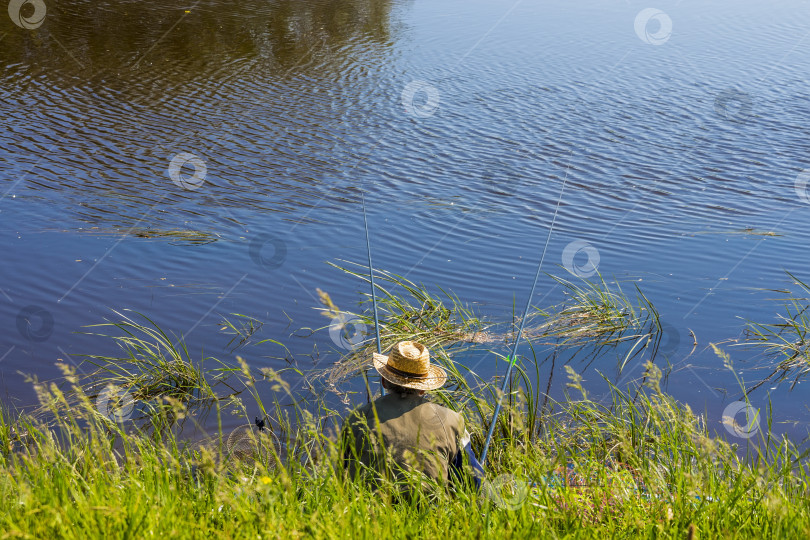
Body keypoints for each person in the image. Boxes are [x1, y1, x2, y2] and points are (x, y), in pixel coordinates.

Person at [340, 340, 483, 493]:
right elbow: (474, 480)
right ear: (423, 389)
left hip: (369, 511)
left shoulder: (357, 417)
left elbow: (340, 474)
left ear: (384, 382)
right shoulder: (452, 420)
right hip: (433, 512)